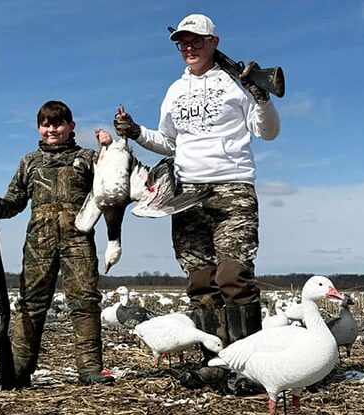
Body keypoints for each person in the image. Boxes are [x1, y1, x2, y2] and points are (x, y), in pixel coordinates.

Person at [113, 14, 280, 393]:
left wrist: (261, 97)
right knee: (200, 282)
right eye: (182, 43)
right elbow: (169, 142)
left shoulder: (237, 83)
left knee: (233, 277)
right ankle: (215, 363)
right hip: (185, 193)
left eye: (196, 41)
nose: (189, 48)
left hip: (231, 187)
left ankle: (249, 366)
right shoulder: (174, 90)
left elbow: (267, 132)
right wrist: (136, 132)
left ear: (214, 41)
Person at [0, 100, 115, 388]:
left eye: (58, 123)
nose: (51, 129)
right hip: (38, 242)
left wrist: (109, 148)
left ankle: (91, 369)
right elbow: (14, 201)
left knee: (85, 302)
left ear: (71, 126)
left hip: (78, 239)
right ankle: (17, 371)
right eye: (45, 124)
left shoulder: (87, 158)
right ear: (39, 128)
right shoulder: (30, 162)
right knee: (30, 304)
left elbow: (113, 181)